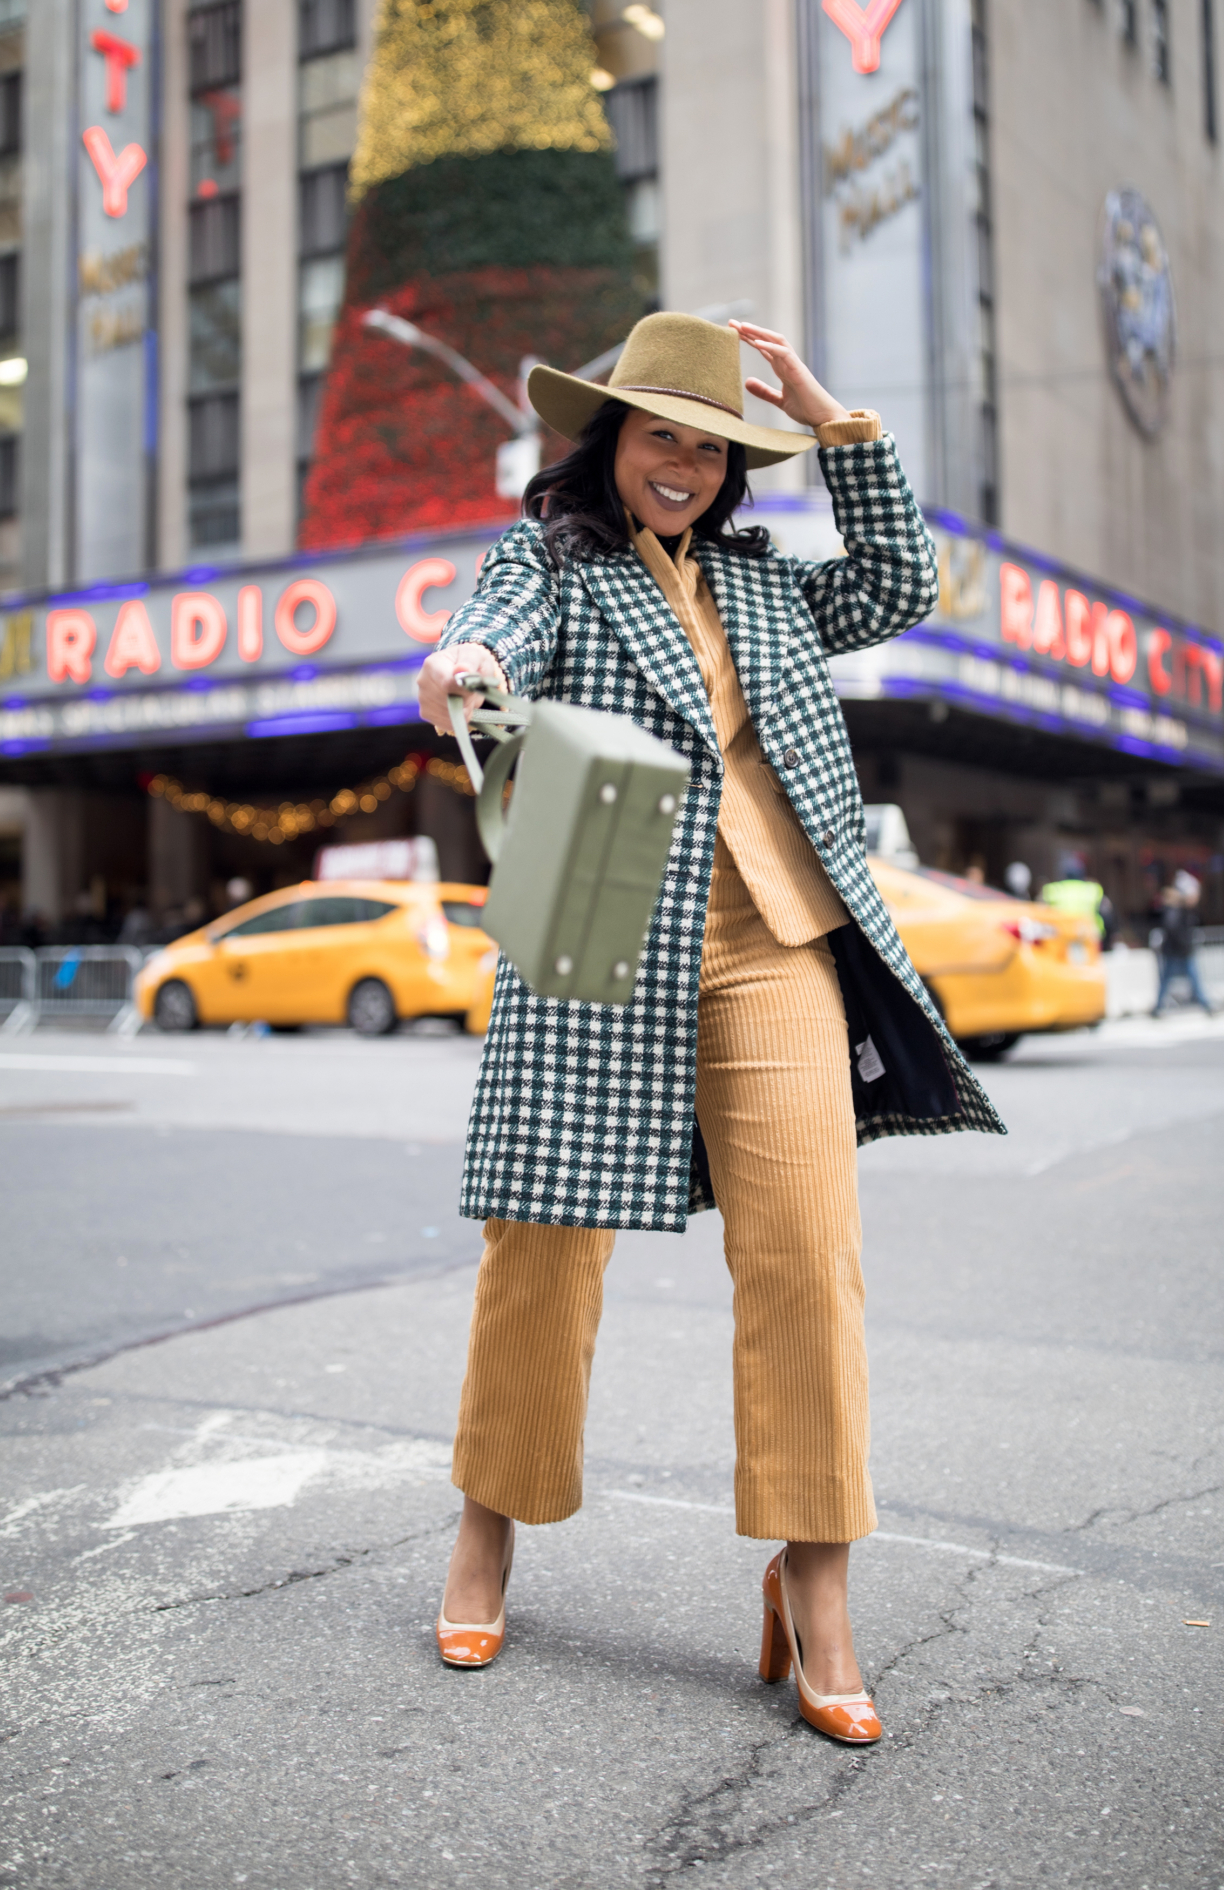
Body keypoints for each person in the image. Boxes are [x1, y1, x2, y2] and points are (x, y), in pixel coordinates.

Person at [417, 313, 1003, 1745]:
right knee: (541, 1244)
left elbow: (904, 578)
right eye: (659, 432)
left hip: (775, 937)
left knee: (808, 1257)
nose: (682, 462)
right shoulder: (554, 557)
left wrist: (828, 410)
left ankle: (817, 1593)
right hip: (599, 908)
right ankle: (488, 1531)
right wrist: (465, 671)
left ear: (734, 464)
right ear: (609, 440)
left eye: (710, 443)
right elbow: (489, 631)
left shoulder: (769, 584)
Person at [1150, 870, 1212, 1016]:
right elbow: (1173, 929)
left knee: (1175, 979)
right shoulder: (1176, 910)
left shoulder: (1183, 909)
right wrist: (1184, 944)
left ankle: (1204, 1004)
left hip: (1179, 950)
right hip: (1177, 951)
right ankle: (1204, 1004)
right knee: (1174, 979)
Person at [1041, 851, 1115, 948]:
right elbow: (1108, 917)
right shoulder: (1092, 889)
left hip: (1061, 938)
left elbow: (1041, 914)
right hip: (1089, 936)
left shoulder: (1053, 890)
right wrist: (1108, 941)